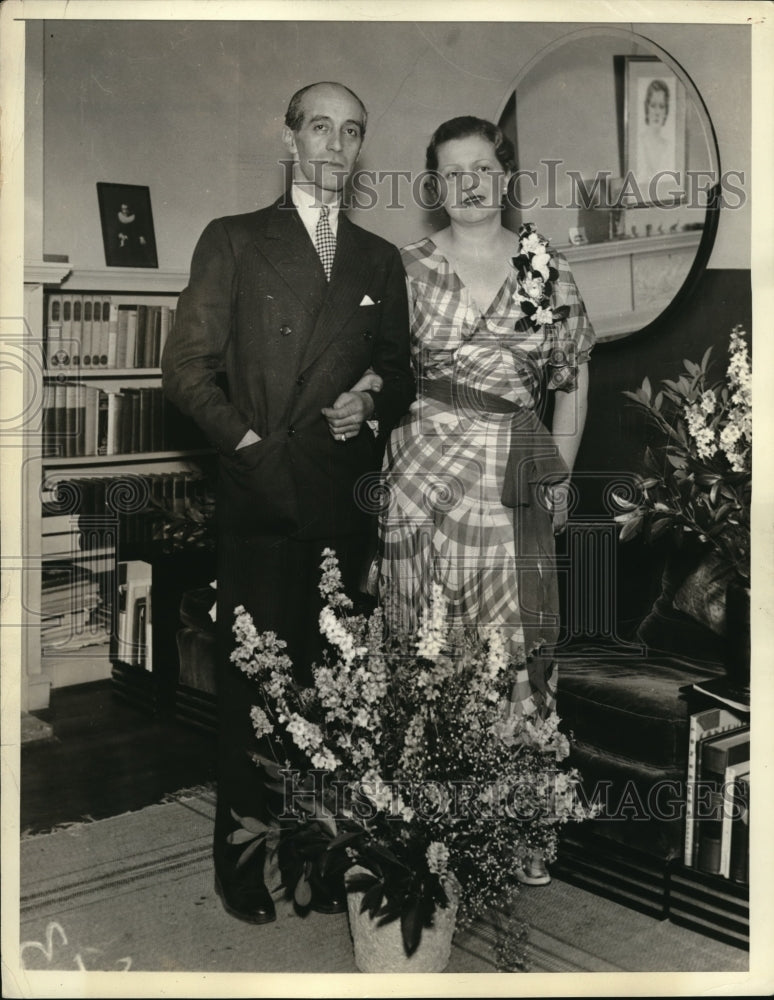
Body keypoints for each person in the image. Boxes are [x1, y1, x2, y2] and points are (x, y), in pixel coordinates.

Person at [161, 81, 414, 924]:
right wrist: (248, 449)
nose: (335, 146)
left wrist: (370, 397)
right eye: (320, 128)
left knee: (329, 698)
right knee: (256, 692)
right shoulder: (234, 240)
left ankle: (312, 860)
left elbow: (402, 370)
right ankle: (241, 863)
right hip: (263, 502)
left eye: (352, 130)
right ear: (290, 137)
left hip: (343, 509)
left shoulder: (380, 259)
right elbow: (186, 371)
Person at [376, 116, 595, 885]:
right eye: (451, 171)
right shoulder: (402, 268)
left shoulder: (546, 271)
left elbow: (571, 384)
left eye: (483, 167)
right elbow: (373, 374)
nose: (469, 183)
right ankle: (426, 828)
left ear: (504, 175)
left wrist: (560, 478)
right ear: (434, 186)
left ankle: (520, 825)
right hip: (420, 486)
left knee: (516, 649)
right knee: (427, 644)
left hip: (511, 482)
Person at [636, 79, 675, 195]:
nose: (657, 112)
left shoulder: (670, 148)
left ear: (666, 111)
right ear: (646, 108)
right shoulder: (638, 143)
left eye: (661, 106)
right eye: (653, 105)